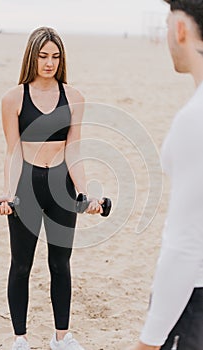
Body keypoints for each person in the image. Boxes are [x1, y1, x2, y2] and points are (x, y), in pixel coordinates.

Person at [0, 27, 103, 350]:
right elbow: (13, 151)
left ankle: (61, 338)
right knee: (21, 263)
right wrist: (8, 194)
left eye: (55, 56)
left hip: (61, 188)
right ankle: (20, 340)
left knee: (60, 263)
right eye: (43, 56)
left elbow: (74, 149)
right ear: (32, 56)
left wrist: (84, 192)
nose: (49, 62)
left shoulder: (74, 97)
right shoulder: (13, 98)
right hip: (26, 185)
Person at [130, 1, 203, 350]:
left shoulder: (195, 119)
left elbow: (186, 245)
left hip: (194, 303)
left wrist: (149, 341)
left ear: (180, 29)